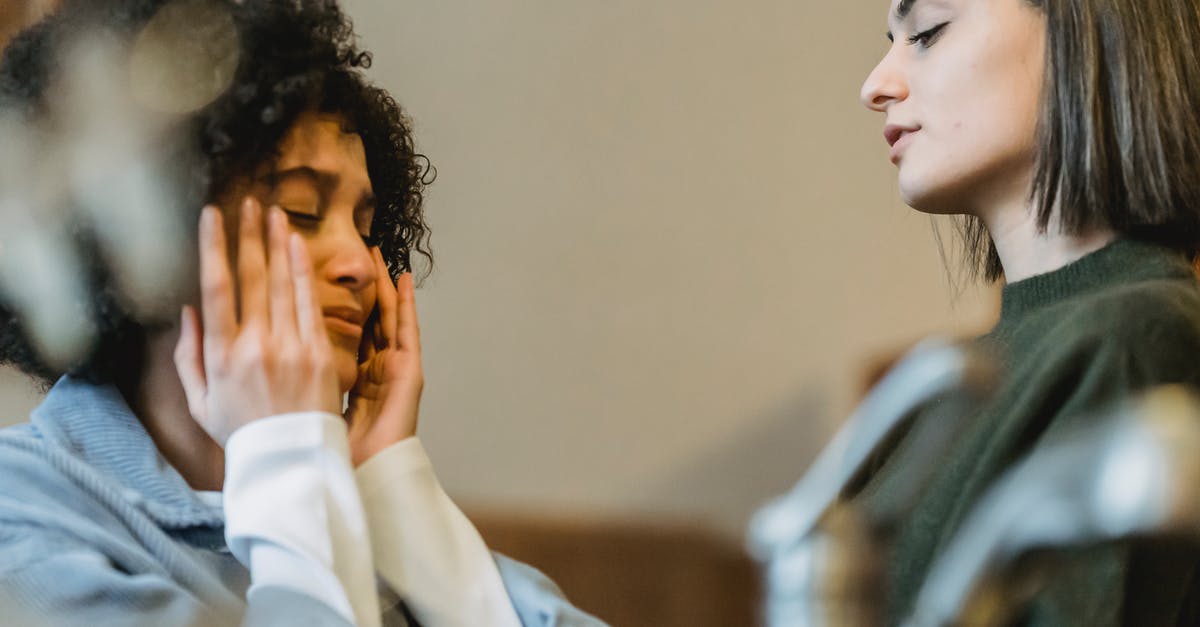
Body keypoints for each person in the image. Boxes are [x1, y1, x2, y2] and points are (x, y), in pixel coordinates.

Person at [0, 1, 603, 625]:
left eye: (366, 228)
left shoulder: (366, 514)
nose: (363, 266)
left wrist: (402, 504)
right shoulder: (20, 512)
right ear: (144, 237)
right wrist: (285, 460)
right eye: (301, 212)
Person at [853, 0, 1200, 623]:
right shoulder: (938, 392)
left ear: (1089, 27)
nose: (876, 85)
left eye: (928, 32)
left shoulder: (1138, 339)